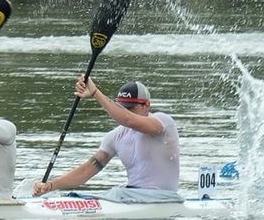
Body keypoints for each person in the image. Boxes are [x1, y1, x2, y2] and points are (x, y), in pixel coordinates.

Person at [33, 78, 180, 200]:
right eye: (122, 107)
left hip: (162, 198)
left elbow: (129, 120)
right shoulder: (115, 136)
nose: (124, 111)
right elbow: (86, 171)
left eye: (130, 107)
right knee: (74, 198)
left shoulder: (162, 123)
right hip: (130, 197)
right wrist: (50, 186)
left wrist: (95, 92)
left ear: (146, 105)